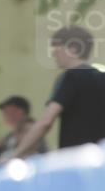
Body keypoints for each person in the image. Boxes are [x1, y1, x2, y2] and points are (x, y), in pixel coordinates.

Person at [13, 26, 105, 157]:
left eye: (57, 47)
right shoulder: (102, 78)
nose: (53, 53)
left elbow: (46, 121)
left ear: (73, 48)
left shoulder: (71, 77)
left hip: (74, 161)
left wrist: (15, 155)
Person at [0, 95, 46, 162]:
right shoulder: (10, 136)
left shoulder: (30, 129)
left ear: (22, 112)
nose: (5, 114)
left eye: (9, 111)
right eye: (4, 111)